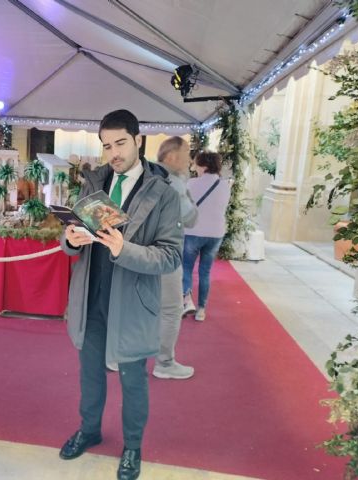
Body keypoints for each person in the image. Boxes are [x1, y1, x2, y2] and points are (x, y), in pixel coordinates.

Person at [59, 109, 183, 480]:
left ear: (138, 140)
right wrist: (70, 239)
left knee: (133, 379)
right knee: (89, 373)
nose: (113, 153)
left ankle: (132, 447)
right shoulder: (94, 183)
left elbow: (170, 256)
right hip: (91, 296)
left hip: (132, 302)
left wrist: (122, 248)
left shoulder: (163, 193)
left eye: (120, 143)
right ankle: (89, 430)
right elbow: (71, 237)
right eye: (107, 145)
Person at [152, 136, 198, 380]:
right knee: (171, 309)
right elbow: (191, 218)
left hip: (140, 253)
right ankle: (165, 363)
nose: (190, 160)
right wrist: (186, 190)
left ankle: (118, 356)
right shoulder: (175, 183)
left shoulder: (147, 176)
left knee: (134, 306)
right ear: (172, 157)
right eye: (187, 153)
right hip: (166, 255)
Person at [182, 151, 231, 321]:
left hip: (193, 232)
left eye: (196, 163)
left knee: (186, 267)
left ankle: (187, 301)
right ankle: (201, 310)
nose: (194, 167)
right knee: (205, 272)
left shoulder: (191, 183)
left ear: (203, 165)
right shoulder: (224, 185)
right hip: (215, 233)